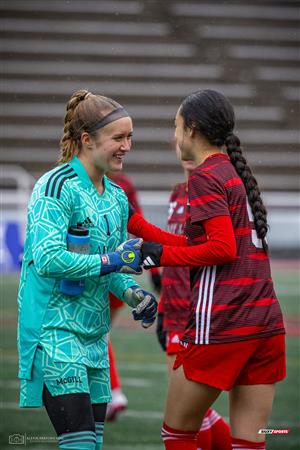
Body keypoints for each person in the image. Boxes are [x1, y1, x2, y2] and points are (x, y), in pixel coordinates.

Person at [138, 89, 286, 450]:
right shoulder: (233, 173)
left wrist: (159, 256)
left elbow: (221, 248)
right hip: (265, 324)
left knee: (177, 433)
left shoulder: (205, 176)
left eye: (175, 126)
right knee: (249, 442)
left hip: (223, 324)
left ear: (191, 129)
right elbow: (198, 244)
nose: (174, 136)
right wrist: (139, 230)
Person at [17, 89, 157, 450]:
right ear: (86, 139)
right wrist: (113, 260)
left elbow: (110, 268)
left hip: (94, 339)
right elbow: (48, 259)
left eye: (130, 137)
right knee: (78, 443)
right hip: (54, 334)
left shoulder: (116, 196)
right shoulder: (54, 185)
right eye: (118, 138)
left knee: (92, 444)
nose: (127, 145)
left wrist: (134, 293)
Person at [156, 148, 231, 450]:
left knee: (182, 422)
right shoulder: (177, 193)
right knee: (195, 413)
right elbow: (177, 245)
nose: (187, 151)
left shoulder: (213, 193)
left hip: (197, 315)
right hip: (172, 310)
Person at [106, 170, 161, 421]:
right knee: (99, 334)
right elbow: (143, 228)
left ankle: (112, 393)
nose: (125, 146)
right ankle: (110, 394)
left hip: (104, 274)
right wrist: (156, 270)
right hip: (118, 271)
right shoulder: (123, 185)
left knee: (95, 335)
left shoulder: (117, 186)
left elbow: (140, 227)